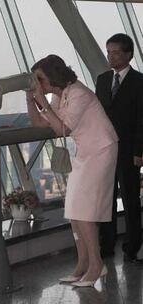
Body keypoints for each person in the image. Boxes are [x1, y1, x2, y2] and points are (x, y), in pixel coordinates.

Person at [26, 55, 118, 287]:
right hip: (85, 152)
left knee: (84, 212)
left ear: (53, 76)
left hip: (101, 150)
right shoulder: (61, 95)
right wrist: (31, 100)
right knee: (74, 211)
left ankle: (96, 266)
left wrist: (42, 101)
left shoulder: (78, 93)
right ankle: (83, 264)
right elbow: (40, 124)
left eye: (41, 79)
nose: (39, 84)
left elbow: (62, 128)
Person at [96, 33, 143, 263]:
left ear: (129, 55)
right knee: (106, 198)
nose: (110, 57)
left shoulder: (139, 81)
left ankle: (132, 245)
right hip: (104, 149)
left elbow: (142, 120)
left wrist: (139, 152)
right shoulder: (102, 80)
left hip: (128, 151)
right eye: (108, 52)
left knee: (130, 197)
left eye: (115, 53)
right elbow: (97, 115)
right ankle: (106, 244)